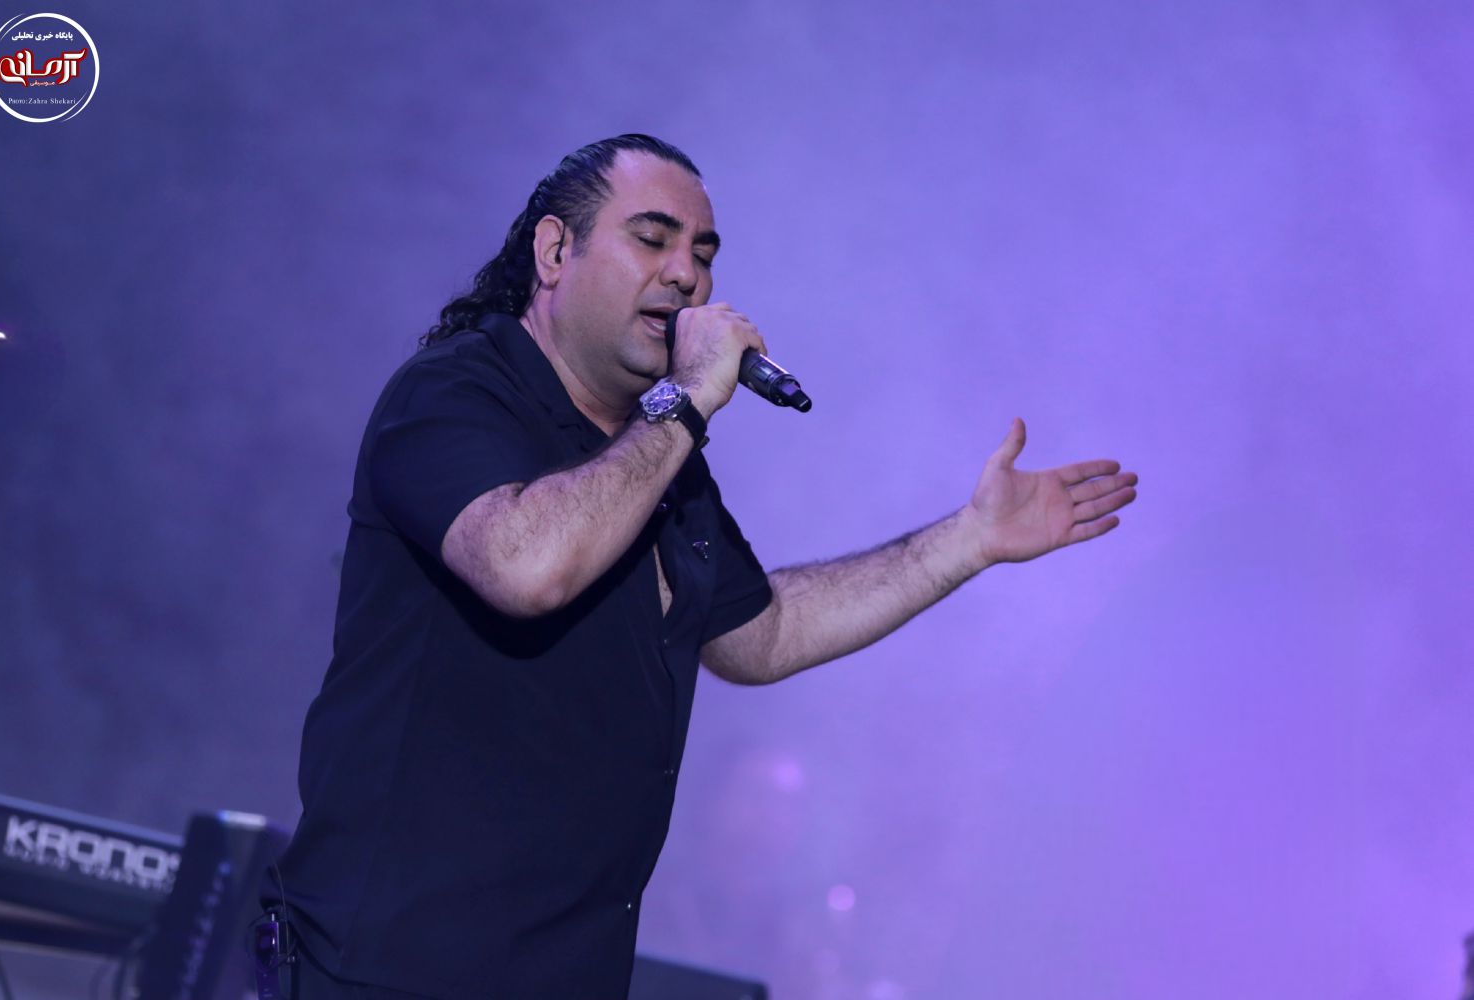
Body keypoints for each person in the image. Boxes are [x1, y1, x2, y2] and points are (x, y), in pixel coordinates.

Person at [263, 133, 1137, 1000]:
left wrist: (970, 538)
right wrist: (682, 404)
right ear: (555, 251)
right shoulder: (456, 392)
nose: (686, 275)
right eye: (652, 239)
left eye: (704, 254)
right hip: (392, 971)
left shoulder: (654, 453)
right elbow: (526, 567)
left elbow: (761, 635)